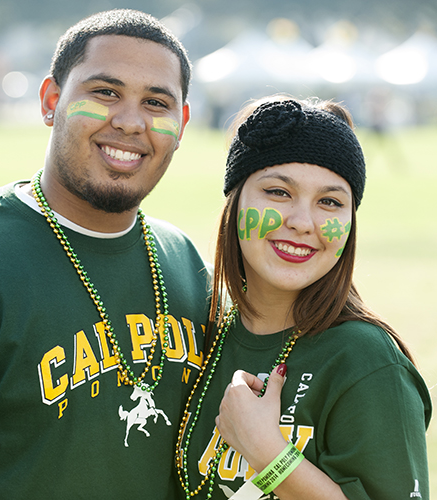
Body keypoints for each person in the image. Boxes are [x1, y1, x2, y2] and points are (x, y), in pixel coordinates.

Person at [0, 9, 211, 499]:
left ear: (181, 123)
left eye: (156, 102)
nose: (130, 122)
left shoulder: (187, 265)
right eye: (105, 92)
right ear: (51, 100)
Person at [175, 96, 432, 500]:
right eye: (278, 192)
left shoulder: (366, 361)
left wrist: (269, 454)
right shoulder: (201, 331)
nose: (301, 222)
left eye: (330, 202)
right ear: (236, 201)